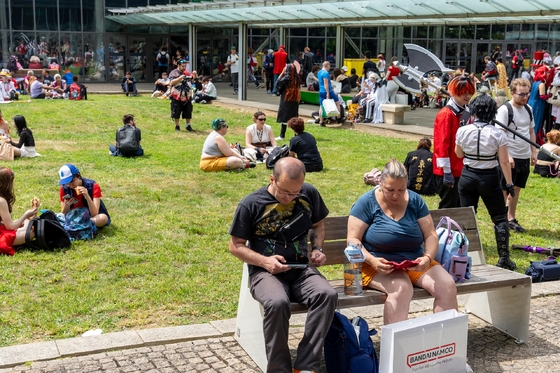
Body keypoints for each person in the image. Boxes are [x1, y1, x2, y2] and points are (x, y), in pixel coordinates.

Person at [229, 157, 337, 373]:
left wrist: (317, 249)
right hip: (265, 272)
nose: (290, 198)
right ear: (272, 179)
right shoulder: (251, 204)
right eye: (285, 192)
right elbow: (235, 246)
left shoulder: (309, 193)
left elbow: (317, 225)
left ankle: (306, 366)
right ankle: (279, 369)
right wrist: (265, 261)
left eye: (295, 193)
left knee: (327, 295)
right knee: (277, 302)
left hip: (301, 270)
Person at [346, 159, 457, 325]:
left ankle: (445, 344)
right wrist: (372, 260)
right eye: (389, 190)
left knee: (447, 285)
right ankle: (395, 348)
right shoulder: (367, 202)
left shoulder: (415, 201)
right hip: (374, 263)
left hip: (413, 260)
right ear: (380, 182)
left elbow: (430, 234)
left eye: (401, 189)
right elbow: (353, 239)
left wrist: (426, 258)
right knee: (401, 288)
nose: (395, 195)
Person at [455, 94, 517, 270]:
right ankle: (504, 257)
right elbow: (504, 162)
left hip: (467, 177)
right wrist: (510, 184)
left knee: (467, 218)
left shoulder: (463, 130)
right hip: (488, 177)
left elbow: (459, 154)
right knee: (499, 218)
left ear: (473, 111)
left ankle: (464, 255)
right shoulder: (497, 133)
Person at [495, 78, 536, 233]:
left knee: (517, 188)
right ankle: (500, 219)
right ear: (512, 93)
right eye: (521, 94)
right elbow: (500, 134)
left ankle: (511, 217)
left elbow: (531, 131)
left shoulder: (529, 109)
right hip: (509, 156)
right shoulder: (505, 110)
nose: (525, 97)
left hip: (524, 155)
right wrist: (508, 155)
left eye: (527, 94)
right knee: (505, 188)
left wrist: (533, 152)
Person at [433, 75, 475, 209]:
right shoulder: (446, 114)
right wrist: (446, 171)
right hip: (449, 169)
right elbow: (441, 145)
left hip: (461, 167)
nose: (467, 96)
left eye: (469, 92)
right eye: (464, 93)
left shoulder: (466, 111)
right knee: (448, 206)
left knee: (460, 206)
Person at [58, 164, 111, 228]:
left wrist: (87, 196)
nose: (70, 185)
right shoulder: (64, 188)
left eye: (71, 181)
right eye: (66, 183)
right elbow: (64, 214)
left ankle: (75, 224)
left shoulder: (93, 186)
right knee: (58, 217)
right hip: (73, 216)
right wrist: (67, 205)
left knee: (103, 218)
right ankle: (81, 224)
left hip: (90, 217)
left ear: (78, 176)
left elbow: (94, 213)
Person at [0, 167, 38, 255]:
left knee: (27, 221)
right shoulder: (1, 201)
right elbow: (10, 226)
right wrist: (25, 215)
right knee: (31, 233)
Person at [275, 61, 301, 140]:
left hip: (286, 100)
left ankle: (282, 135)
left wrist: (282, 73)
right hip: (294, 100)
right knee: (294, 118)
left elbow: (278, 84)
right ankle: (297, 135)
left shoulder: (286, 78)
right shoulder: (297, 79)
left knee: (285, 118)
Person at [168, 59, 194, 132]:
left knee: (188, 110)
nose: (184, 68)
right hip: (177, 95)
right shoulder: (173, 73)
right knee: (176, 110)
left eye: (185, 66)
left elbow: (192, 81)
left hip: (186, 95)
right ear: (178, 65)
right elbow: (171, 82)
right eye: (182, 66)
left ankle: (188, 125)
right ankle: (177, 126)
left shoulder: (186, 72)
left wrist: (194, 75)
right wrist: (180, 78)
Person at [318, 61, 343, 126]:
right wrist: (328, 92)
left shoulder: (319, 72)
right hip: (328, 91)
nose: (329, 68)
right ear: (327, 66)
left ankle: (321, 121)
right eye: (329, 67)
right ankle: (338, 118)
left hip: (321, 91)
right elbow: (325, 83)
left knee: (321, 106)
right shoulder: (326, 73)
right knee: (337, 102)